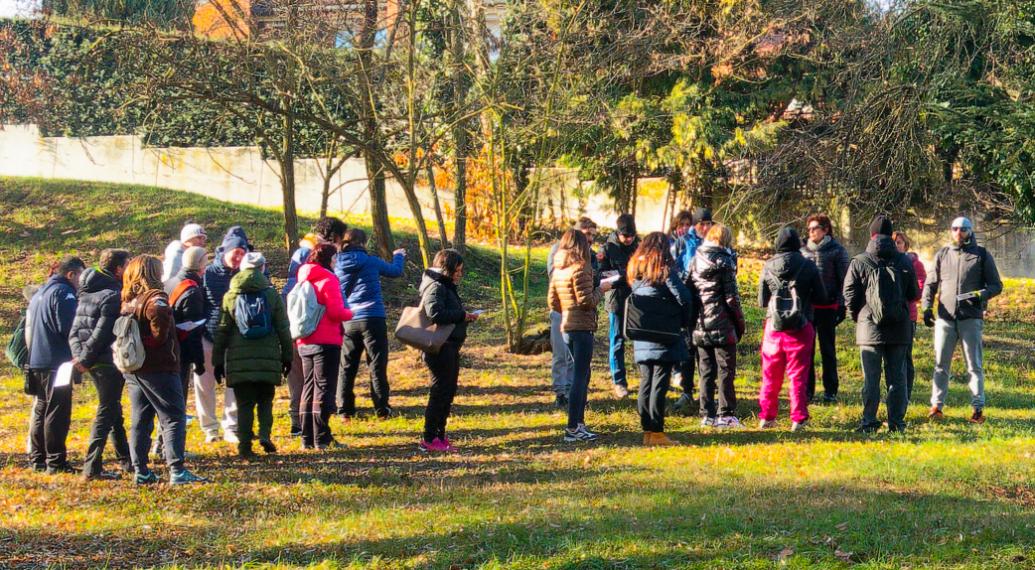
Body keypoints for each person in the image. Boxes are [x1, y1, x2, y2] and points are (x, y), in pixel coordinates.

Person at [120, 255, 205, 485]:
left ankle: (141, 470)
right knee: (174, 416)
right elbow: (158, 326)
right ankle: (176, 469)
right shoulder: (155, 298)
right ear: (152, 273)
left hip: (135, 368)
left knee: (141, 418)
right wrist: (157, 339)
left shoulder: (129, 299)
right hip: (159, 367)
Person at [843, 215, 920, 433]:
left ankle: (868, 421)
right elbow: (914, 293)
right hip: (899, 328)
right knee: (897, 378)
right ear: (891, 234)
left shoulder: (860, 261)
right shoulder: (904, 261)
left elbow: (849, 294)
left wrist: (858, 316)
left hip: (869, 328)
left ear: (871, 234)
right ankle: (896, 423)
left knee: (871, 378)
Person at [921, 216, 1003, 424]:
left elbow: (996, 285)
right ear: (951, 231)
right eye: (955, 228)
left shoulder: (982, 255)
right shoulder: (943, 254)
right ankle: (936, 407)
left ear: (970, 231)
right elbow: (931, 283)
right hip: (945, 318)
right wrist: (926, 308)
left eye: (963, 229)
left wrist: (980, 295)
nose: (959, 232)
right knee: (941, 365)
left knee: (974, 365)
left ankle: (977, 409)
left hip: (970, 318)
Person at [212, 253, 293, 458]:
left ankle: (245, 447)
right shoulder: (271, 294)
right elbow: (284, 328)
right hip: (268, 356)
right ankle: (265, 434)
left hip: (239, 360)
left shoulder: (231, 295)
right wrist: (287, 357)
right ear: (263, 267)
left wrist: (217, 361)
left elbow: (222, 330)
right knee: (265, 400)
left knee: (244, 404)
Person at [70, 249, 133, 480]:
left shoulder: (85, 292)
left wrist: (81, 358)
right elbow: (102, 333)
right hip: (105, 361)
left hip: (91, 360)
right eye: (127, 265)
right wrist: (85, 359)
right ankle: (92, 467)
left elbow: (74, 332)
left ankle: (126, 460)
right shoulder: (112, 294)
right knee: (107, 411)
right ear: (118, 269)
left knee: (114, 409)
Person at [627, 232, 696, 446]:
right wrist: (683, 321)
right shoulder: (663, 269)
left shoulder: (635, 272)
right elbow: (684, 297)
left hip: (642, 332)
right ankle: (657, 431)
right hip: (664, 333)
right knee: (660, 382)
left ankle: (647, 430)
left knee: (646, 382)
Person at [282, 217, 348, 436]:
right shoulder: (316, 256)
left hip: (296, 323)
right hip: (314, 328)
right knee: (312, 382)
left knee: (305, 381)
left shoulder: (302, 252)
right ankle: (313, 430)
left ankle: (303, 428)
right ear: (335, 237)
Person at [757, 228, 825, 431]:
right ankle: (798, 418)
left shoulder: (768, 266)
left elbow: (762, 301)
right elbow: (821, 296)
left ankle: (767, 417)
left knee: (770, 375)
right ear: (797, 244)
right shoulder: (808, 265)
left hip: (774, 327)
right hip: (801, 325)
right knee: (798, 375)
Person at [335, 228, 406, 420]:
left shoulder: (337, 264)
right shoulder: (371, 261)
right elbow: (395, 271)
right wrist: (398, 256)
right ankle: (382, 409)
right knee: (376, 364)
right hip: (373, 317)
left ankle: (345, 411)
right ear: (363, 243)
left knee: (347, 366)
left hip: (349, 319)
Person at [549, 230, 613, 442]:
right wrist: (602, 289)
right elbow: (587, 301)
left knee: (582, 375)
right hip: (582, 326)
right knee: (580, 376)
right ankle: (573, 427)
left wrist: (567, 308)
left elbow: (553, 301)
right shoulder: (581, 267)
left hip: (567, 325)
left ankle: (579, 423)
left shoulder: (559, 268)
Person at [26, 256, 85, 474]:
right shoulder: (64, 293)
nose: (81, 282)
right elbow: (69, 328)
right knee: (57, 410)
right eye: (80, 276)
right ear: (71, 274)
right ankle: (56, 461)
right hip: (56, 362)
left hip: (37, 359)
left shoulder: (40, 292)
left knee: (42, 408)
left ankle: (38, 458)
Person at [418, 249, 478, 452]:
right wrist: (462, 315)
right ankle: (429, 436)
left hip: (450, 346)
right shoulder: (436, 287)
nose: (460, 274)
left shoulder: (446, 286)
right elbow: (435, 313)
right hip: (440, 348)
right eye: (457, 270)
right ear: (448, 269)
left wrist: (464, 316)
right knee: (440, 392)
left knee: (448, 391)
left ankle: (440, 434)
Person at [296, 243, 354, 450]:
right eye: (335, 258)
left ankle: (307, 438)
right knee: (324, 389)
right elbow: (336, 312)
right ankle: (322, 438)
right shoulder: (328, 279)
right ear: (330, 259)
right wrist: (352, 312)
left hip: (305, 339)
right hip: (326, 340)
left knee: (308, 388)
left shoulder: (303, 276)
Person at [689, 223, 746, 428]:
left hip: (700, 322)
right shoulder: (725, 261)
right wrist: (740, 322)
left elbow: (689, 289)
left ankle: (707, 414)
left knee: (705, 371)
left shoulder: (695, 259)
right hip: (722, 323)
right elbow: (731, 298)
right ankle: (726, 413)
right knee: (725, 370)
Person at [196, 226, 250, 443]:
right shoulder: (207, 272)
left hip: (237, 337)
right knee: (204, 383)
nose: (238, 257)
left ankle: (232, 426)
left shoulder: (249, 273)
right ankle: (209, 428)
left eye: (242, 253)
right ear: (224, 251)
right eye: (234, 252)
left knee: (234, 383)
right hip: (208, 336)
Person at [546, 217, 600, 409]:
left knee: (574, 360)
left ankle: (572, 393)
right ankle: (560, 392)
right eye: (587, 235)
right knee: (561, 354)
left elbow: (591, 279)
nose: (591, 239)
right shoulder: (558, 252)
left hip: (581, 313)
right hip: (564, 309)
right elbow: (556, 282)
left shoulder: (589, 255)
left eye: (593, 235)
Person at [799, 213, 850, 404]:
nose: (811, 232)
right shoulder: (803, 251)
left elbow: (844, 280)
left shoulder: (837, 251)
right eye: (809, 229)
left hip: (829, 307)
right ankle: (808, 391)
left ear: (825, 229)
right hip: (808, 309)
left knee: (828, 350)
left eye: (815, 228)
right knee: (807, 350)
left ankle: (830, 390)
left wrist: (842, 304)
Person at [672, 207, 714, 414]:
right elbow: (672, 268)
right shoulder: (682, 242)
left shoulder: (715, 240)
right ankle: (687, 390)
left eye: (708, 223)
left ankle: (707, 391)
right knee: (688, 347)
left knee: (706, 348)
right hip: (688, 300)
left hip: (709, 301)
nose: (705, 228)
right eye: (702, 224)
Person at [600, 214, 639, 399]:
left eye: (631, 236)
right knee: (617, 342)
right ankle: (619, 381)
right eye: (626, 236)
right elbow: (602, 276)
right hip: (615, 300)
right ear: (618, 233)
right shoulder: (607, 249)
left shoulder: (638, 246)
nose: (629, 239)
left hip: (636, 301)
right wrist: (625, 275)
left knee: (641, 339)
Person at [892, 230, 927, 399]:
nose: (896, 245)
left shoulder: (914, 264)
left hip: (908, 315)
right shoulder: (888, 262)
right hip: (890, 315)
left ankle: (907, 392)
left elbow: (920, 290)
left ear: (905, 245)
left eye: (899, 242)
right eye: (894, 242)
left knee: (906, 355)